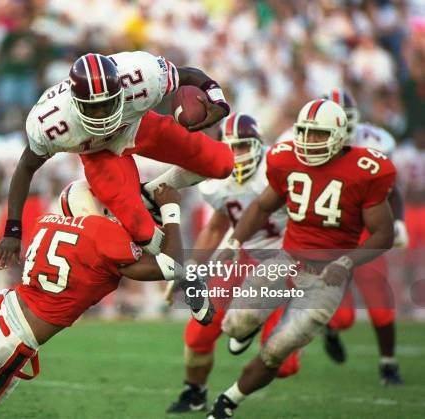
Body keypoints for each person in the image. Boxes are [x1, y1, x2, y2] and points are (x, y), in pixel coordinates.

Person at [0, 185, 213, 419]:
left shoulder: (48, 220)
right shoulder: (102, 234)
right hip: (13, 336)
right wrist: (170, 210)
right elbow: (169, 263)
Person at [206, 99, 396, 418]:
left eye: (319, 134)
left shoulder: (367, 170)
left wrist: (346, 262)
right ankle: (249, 328)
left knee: (277, 351)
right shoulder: (285, 159)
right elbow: (263, 206)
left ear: (338, 135)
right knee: (234, 326)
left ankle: (227, 402)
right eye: (305, 133)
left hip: (326, 277)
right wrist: (235, 240)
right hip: (287, 259)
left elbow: (383, 234)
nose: (310, 141)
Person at [0, 51, 234, 269]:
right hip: (99, 154)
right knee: (143, 232)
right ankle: (184, 274)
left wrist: (218, 100)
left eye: (107, 104)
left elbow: (188, 75)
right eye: (93, 108)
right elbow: (25, 169)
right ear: (75, 103)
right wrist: (13, 229)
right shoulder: (52, 122)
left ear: (121, 88)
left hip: (137, 127)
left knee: (223, 163)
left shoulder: (141, 74)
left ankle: (149, 194)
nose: (102, 114)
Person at [157, 113, 299, 414]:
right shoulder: (216, 183)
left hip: (286, 260)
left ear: (259, 146)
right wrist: (188, 268)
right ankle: (194, 393)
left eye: (244, 147)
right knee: (197, 333)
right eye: (231, 148)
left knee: (284, 364)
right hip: (242, 255)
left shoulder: (278, 170)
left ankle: (252, 325)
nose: (237, 156)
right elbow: (216, 226)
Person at [320, 88, 406, 385]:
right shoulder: (306, 142)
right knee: (342, 318)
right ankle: (330, 329)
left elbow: (392, 188)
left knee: (379, 298)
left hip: (367, 229)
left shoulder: (376, 142)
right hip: (332, 232)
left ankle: (388, 363)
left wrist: (399, 222)